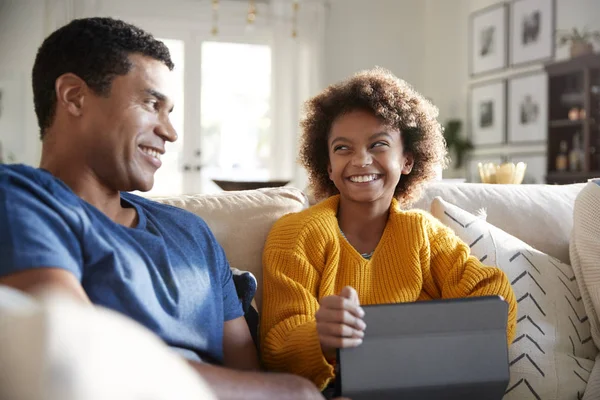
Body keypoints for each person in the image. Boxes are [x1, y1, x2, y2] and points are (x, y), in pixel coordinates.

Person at [0, 17, 340, 400]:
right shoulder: (19, 198)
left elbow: (248, 374)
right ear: (75, 97)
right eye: (150, 103)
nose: (170, 132)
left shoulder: (191, 232)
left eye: (170, 112)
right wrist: (295, 393)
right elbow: (69, 354)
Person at [260, 67, 518, 392]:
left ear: (408, 160)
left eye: (378, 144)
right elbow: (277, 345)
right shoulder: (295, 235)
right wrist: (319, 338)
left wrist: (431, 343)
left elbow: (492, 293)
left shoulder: (424, 232)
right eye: (342, 148)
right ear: (327, 165)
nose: (361, 160)